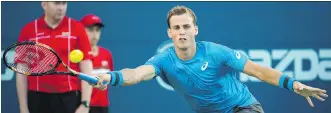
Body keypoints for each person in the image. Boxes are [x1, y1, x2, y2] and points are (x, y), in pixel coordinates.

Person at [93, 5, 328, 113]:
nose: (182, 31)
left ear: (195, 30)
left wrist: (293, 84)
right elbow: (136, 74)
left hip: (243, 108)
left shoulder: (216, 52)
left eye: (187, 26)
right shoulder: (163, 60)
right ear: (170, 33)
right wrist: (111, 77)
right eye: (177, 28)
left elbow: (258, 71)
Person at [16, 2, 93, 113]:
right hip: (37, 98)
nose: (61, 8)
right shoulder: (29, 30)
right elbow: (21, 71)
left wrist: (85, 103)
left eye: (64, 3)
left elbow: (87, 68)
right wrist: (23, 107)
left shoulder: (77, 28)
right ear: (44, 4)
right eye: (57, 3)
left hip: (68, 98)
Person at [80, 14, 114, 113]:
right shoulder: (77, 55)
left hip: (103, 107)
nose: (95, 34)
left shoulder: (107, 54)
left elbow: (109, 79)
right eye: (90, 30)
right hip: (83, 107)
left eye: (97, 30)